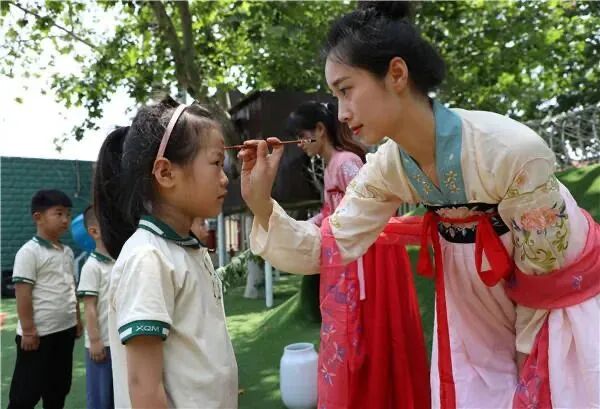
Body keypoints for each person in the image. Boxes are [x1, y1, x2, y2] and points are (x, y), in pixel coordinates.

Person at [239, 2, 600, 408]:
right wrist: (262, 205)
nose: (341, 113)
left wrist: (525, 363)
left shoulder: (510, 151)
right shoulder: (388, 168)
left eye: (346, 90)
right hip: (471, 298)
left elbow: (543, 276)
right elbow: (329, 245)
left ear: (396, 74)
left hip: (560, 299)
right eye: (336, 96)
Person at [94, 97, 238, 408]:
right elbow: (144, 389)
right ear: (166, 173)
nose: (225, 177)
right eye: (216, 163)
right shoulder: (148, 259)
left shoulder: (186, 249)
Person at [9, 189, 83, 409]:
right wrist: (28, 330)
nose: (65, 220)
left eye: (68, 214)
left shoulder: (67, 252)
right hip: (39, 335)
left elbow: (70, 287)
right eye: (58, 213)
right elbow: (23, 292)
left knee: (58, 388)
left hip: (65, 330)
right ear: (38, 217)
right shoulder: (29, 252)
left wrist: (77, 319)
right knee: (25, 394)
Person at [286, 101, 366, 225]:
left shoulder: (346, 162)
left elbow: (365, 206)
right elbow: (329, 214)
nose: (299, 144)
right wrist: (301, 226)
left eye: (302, 136)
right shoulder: (329, 168)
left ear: (320, 129)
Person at [77, 205, 115, 409]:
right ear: (94, 232)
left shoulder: (119, 261)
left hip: (119, 342)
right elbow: (89, 306)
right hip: (102, 344)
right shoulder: (92, 267)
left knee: (118, 396)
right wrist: (95, 340)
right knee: (101, 397)